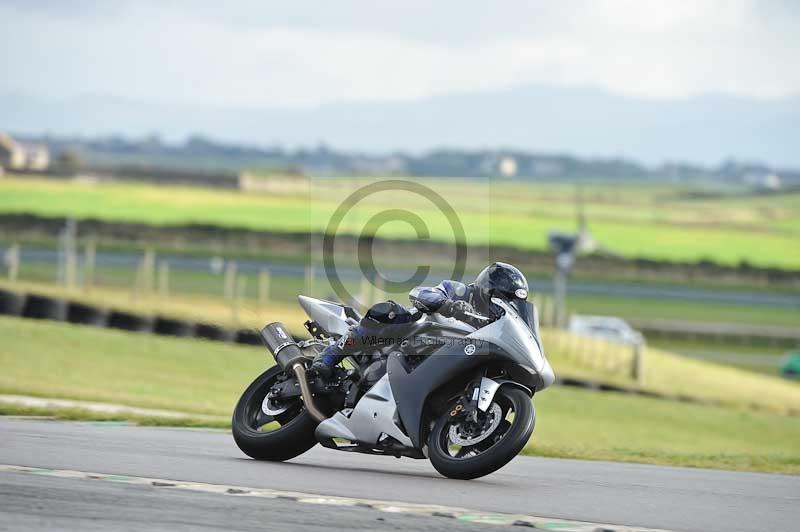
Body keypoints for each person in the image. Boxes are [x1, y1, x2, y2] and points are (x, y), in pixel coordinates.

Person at [311, 262, 530, 377]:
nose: (503, 304)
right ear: (489, 288)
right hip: (405, 338)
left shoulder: (496, 323)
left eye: (509, 302)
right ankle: (329, 356)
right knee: (391, 312)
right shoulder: (461, 291)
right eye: (501, 297)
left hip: (447, 357)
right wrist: (449, 306)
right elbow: (421, 293)